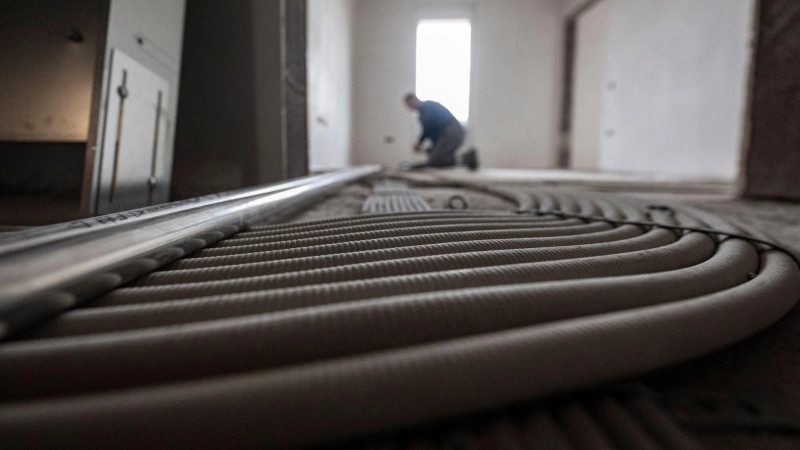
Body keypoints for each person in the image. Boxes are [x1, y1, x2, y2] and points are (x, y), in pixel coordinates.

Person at [403, 93, 478, 171]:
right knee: (435, 156)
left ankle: (468, 158)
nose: (409, 107)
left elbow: (428, 127)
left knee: (435, 161)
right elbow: (435, 130)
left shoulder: (426, 108)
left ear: (412, 100)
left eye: (408, 104)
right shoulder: (426, 108)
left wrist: (419, 143)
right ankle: (467, 158)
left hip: (452, 133)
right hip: (451, 133)